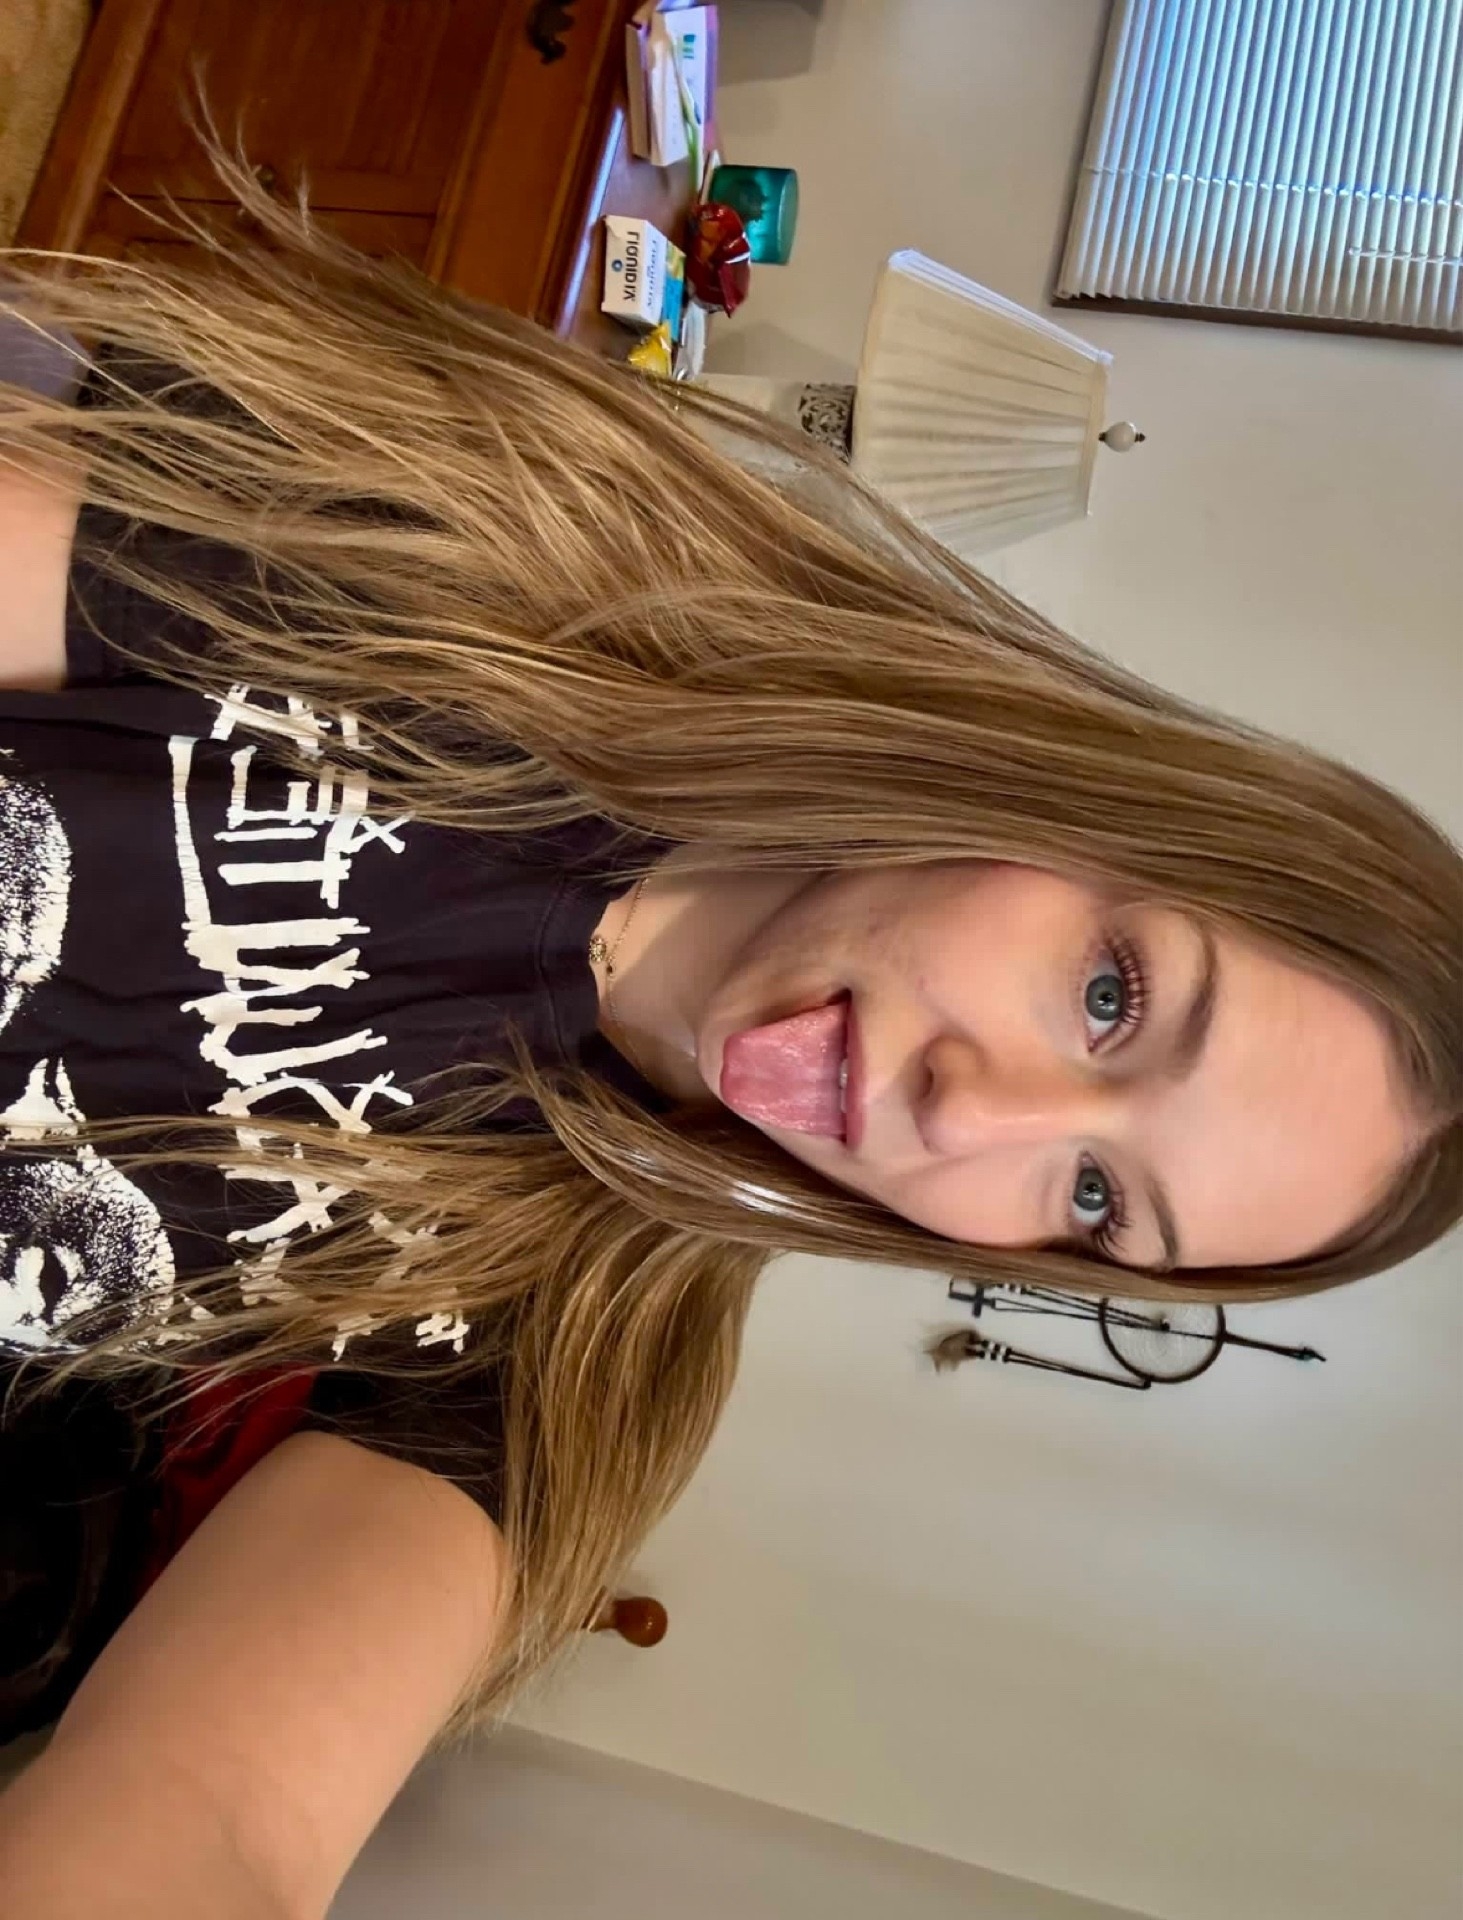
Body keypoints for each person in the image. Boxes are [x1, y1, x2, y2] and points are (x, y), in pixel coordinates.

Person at [0, 192, 1457, 1918]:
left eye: (1092, 1198)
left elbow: (220, 1827)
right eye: (1112, 999)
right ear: (1085, 798)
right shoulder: (500, 580)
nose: (972, 1114)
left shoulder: (572, 1360)